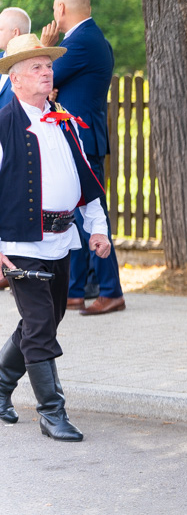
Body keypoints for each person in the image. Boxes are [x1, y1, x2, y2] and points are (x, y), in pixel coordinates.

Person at [0, 34, 112, 441]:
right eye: (36, 67)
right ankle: (52, 413)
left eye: (48, 66)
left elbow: (86, 178)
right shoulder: (3, 125)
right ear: (15, 80)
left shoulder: (64, 120)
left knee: (46, 319)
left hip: (62, 238)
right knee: (40, 325)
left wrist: (97, 226)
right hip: (19, 243)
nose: (46, 72)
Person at [41, 0, 124, 316]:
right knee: (75, 216)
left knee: (92, 217)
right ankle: (75, 290)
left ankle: (111, 290)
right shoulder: (91, 39)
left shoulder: (80, 41)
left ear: (61, 9)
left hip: (82, 141)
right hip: (78, 139)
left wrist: (44, 49)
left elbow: (45, 77)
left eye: (53, 10)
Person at [0, 7, 32, 292]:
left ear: (14, 33)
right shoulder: (2, 65)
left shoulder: (25, 74)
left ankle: (10, 268)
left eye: (0, 29)